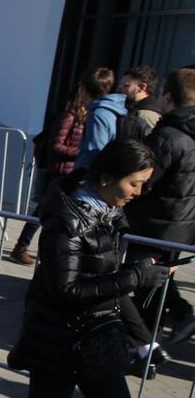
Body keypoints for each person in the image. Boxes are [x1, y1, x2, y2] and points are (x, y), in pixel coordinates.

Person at [3, 138, 170, 398]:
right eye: (135, 184)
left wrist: (143, 336)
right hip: (56, 341)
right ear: (108, 178)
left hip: (97, 336)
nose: (139, 193)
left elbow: (110, 285)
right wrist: (135, 276)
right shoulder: (66, 218)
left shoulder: (109, 214)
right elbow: (67, 291)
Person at [127, 68, 195, 335]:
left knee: (147, 292)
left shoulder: (168, 137)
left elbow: (142, 180)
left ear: (168, 97)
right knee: (156, 287)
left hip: (153, 227)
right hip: (180, 227)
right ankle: (178, 319)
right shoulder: (178, 134)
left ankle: (145, 351)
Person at [11, 75, 94, 265]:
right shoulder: (69, 117)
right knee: (43, 212)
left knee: (47, 213)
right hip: (57, 173)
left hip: (70, 173)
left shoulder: (85, 118)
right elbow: (56, 146)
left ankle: (25, 248)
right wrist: (81, 152)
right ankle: (23, 247)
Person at [75, 67, 123, 169]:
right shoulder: (112, 110)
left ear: (83, 89)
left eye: (79, 86)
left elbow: (94, 152)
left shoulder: (98, 114)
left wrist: (79, 175)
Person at [119, 66, 163, 130]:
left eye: (126, 85)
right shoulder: (135, 110)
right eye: (120, 84)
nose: (120, 88)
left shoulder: (145, 116)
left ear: (142, 87)